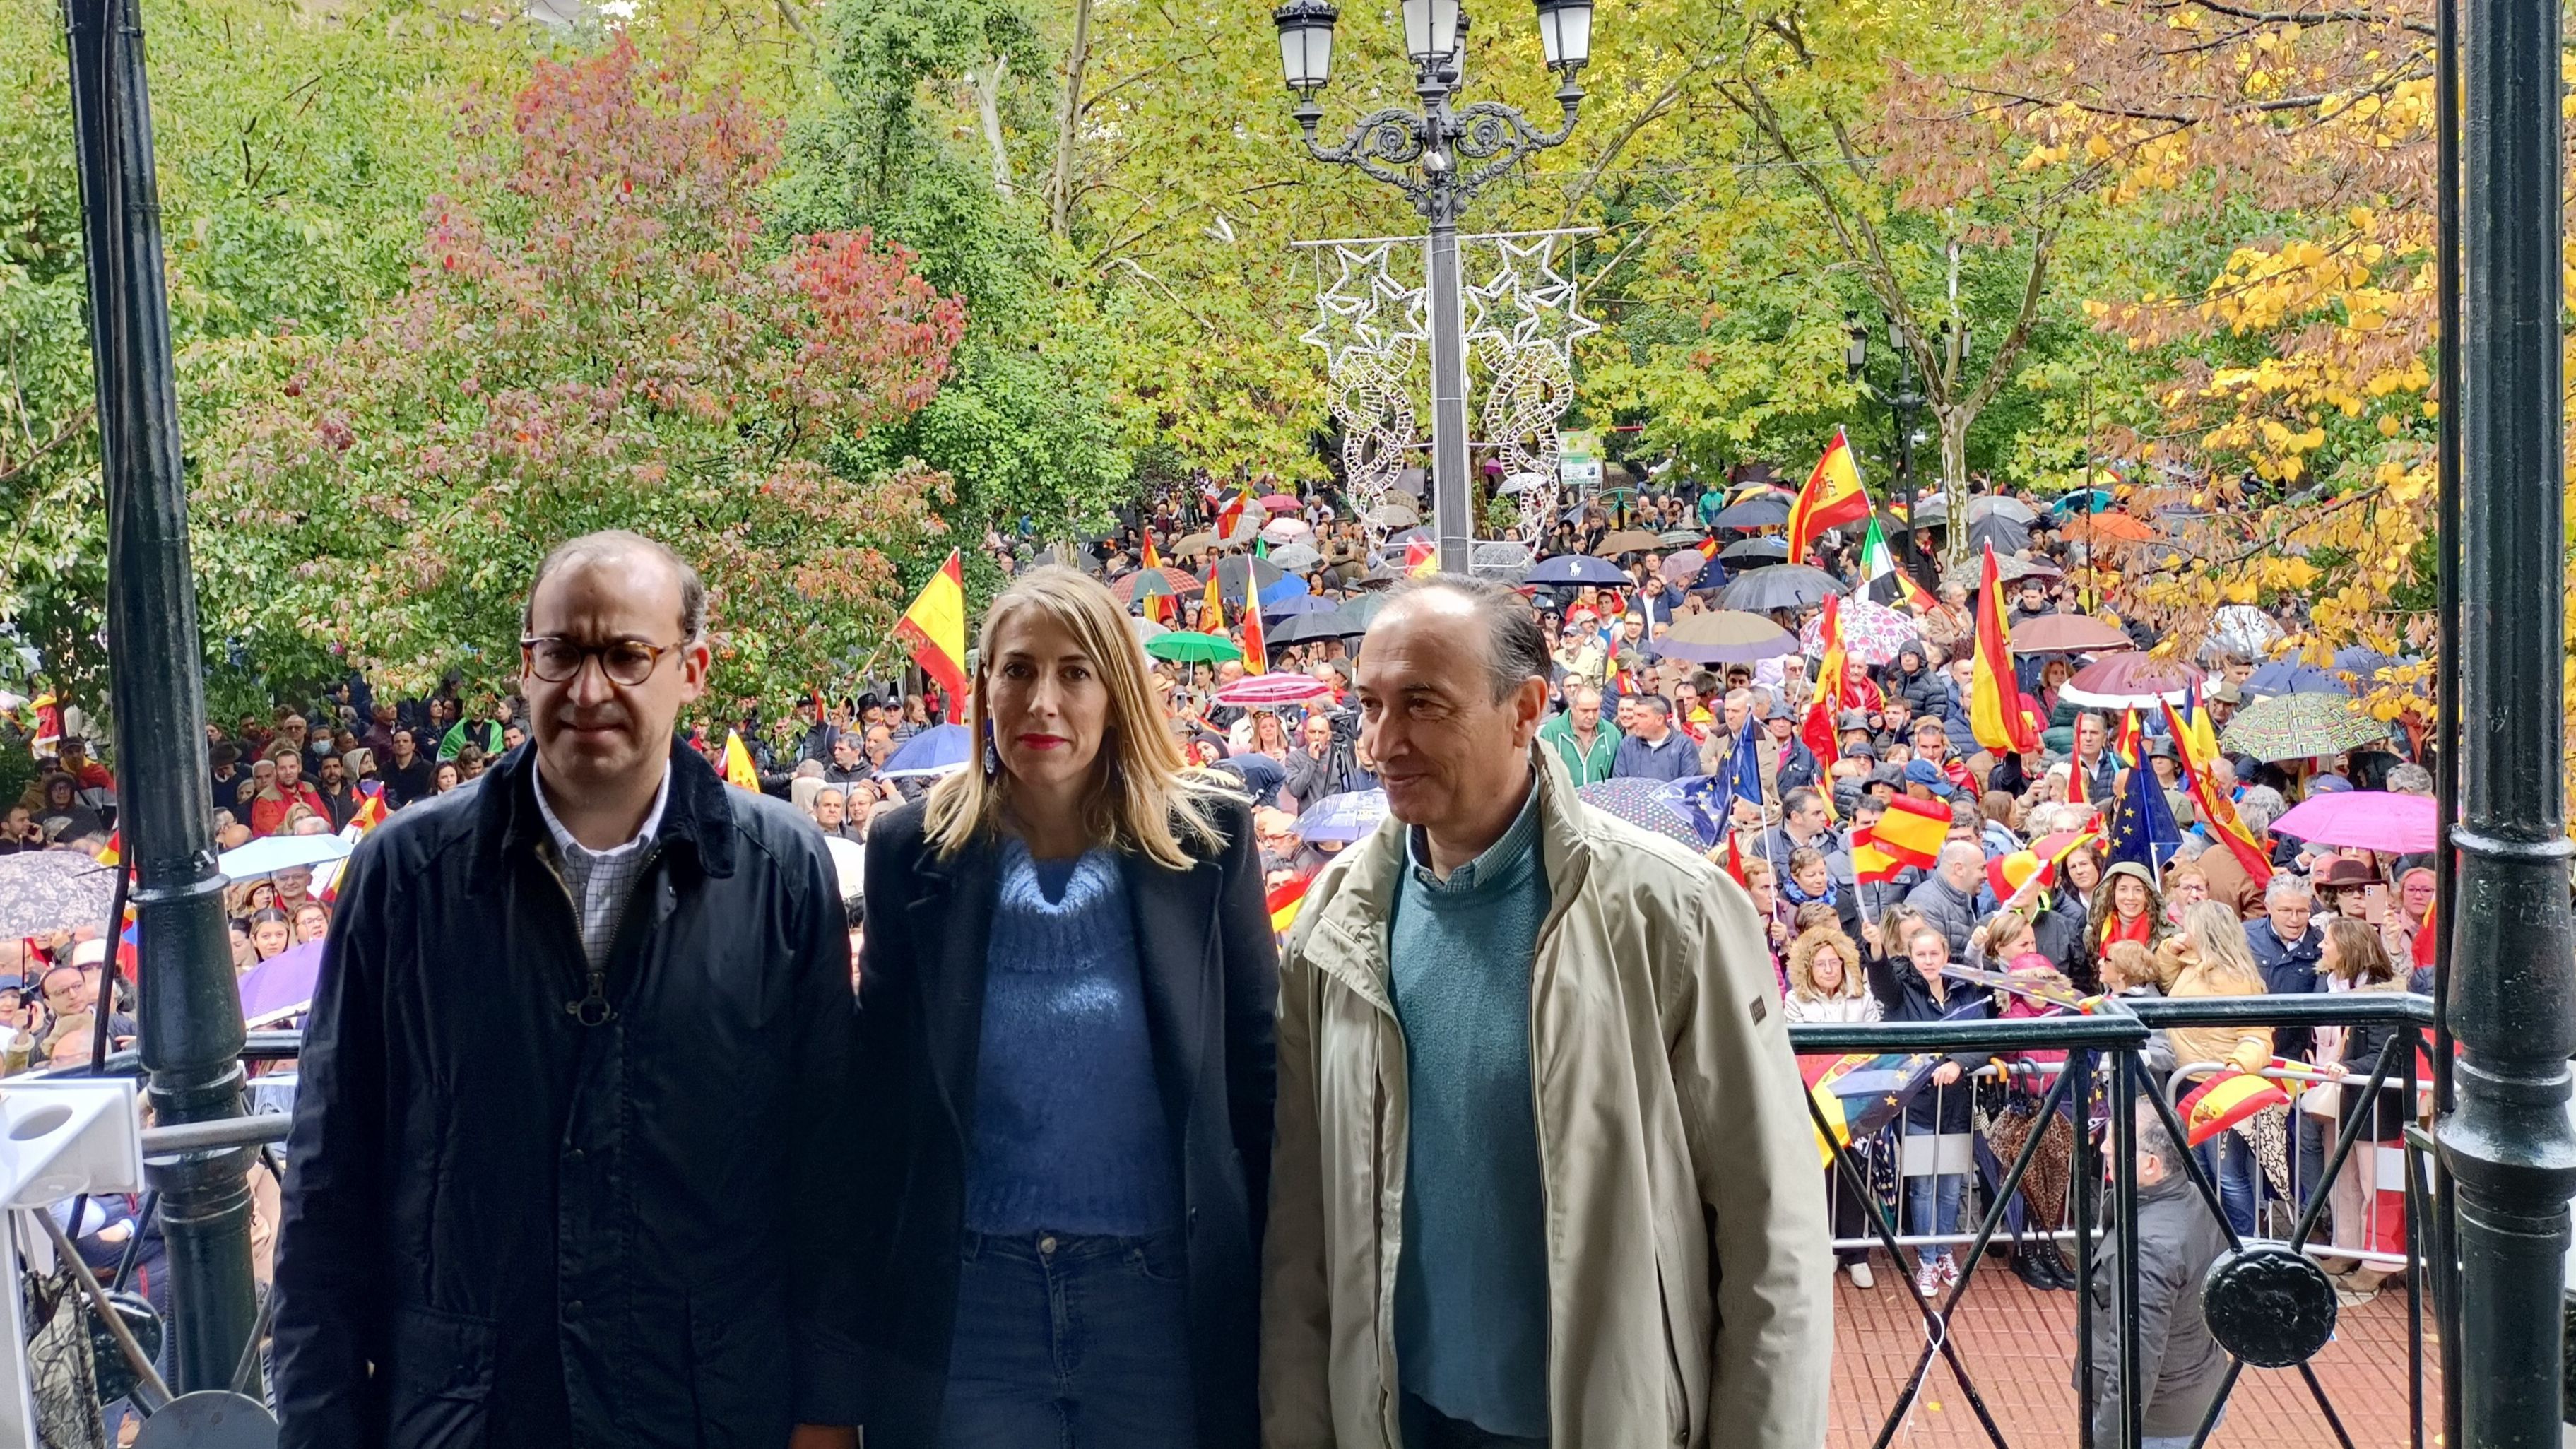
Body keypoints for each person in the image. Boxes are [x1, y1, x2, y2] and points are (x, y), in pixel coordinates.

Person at [273, 531, 864, 1449]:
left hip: (711, 1409)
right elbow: (327, 1185)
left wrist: (827, 1417)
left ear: (691, 668)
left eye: (627, 654)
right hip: (469, 1414)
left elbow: (828, 1171)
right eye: (563, 652)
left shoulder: (779, 870)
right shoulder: (406, 875)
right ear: (526, 665)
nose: (590, 688)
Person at [1266, 575, 1831, 1448]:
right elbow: (1303, 1232)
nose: (1383, 740)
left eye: (1422, 703)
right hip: (1395, 1420)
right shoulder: (1331, 924)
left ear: (1525, 707)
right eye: (1370, 705)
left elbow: (1773, 1239)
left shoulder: (1671, 911)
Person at [851, 567, 1275, 1448]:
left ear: (1116, 692)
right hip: (973, 1306)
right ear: (984, 690)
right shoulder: (909, 853)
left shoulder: (1209, 845)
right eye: (1017, 670)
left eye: (1075, 672)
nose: (1042, 700)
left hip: (1160, 1302)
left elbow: (1257, 1080)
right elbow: (879, 1105)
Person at [2082, 1103, 2230, 1449]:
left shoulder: (2149, 1246)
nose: (2104, 1147)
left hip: (2155, 1421)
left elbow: (2136, 1362)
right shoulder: (2194, 1198)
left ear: (2151, 1165)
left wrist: (2107, 1439)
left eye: (2116, 1141)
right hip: (2189, 1392)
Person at [2156, 901, 2274, 1236]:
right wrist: (2170, 947)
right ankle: (2217, 1239)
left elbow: (2257, 1036)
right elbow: (2163, 975)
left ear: (2204, 932)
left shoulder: (2235, 979)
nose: (2183, 931)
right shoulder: (2194, 965)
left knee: (2227, 1174)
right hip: (2189, 1082)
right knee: (2201, 1170)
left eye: (2188, 927)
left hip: (2217, 1086)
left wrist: (2236, 1068)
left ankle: (2245, 1243)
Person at [1536, 684, 1619, 786]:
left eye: (1595, 710)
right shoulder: (1551, 732)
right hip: (1565, 799)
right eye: (1585, 711)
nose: (1591, 716)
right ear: (1572, 707)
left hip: (1600, 799)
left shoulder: (1612, 734)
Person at [1609, 693, 1696, 781]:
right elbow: (1618, 783)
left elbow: (1689, 785)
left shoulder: (1683, 745)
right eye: (1635, 715)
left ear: (1659, 720)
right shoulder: (1627, 745)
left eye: (1641, 716)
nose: (1634, 720)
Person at [379, 728, 437, 810]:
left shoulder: (428, 768)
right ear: (392, 747)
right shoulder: (385, 769)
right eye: (397, 742)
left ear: (413, 745)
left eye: (405, 741)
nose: (401, 744)